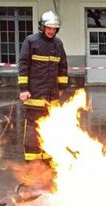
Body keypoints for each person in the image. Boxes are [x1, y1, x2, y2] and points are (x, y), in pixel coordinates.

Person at [18, 10, 68, 163]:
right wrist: (23, 89)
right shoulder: (31, 41)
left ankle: (47, 157)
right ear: (42, 27)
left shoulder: (58, 44)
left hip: (51, 96)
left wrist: (61, 88)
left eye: (54, 28)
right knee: (33, 128)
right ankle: (32, 160)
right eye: (49, 28)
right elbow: (23, 65)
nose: (51, 31)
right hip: (34, 94)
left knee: (50, 127)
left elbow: (63, 66)